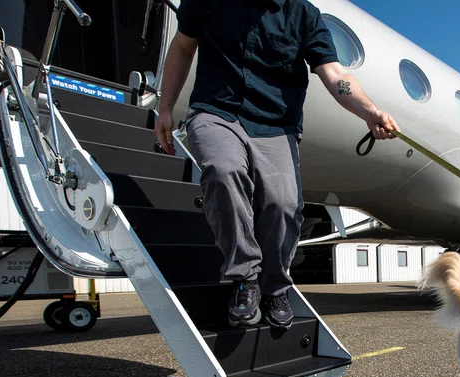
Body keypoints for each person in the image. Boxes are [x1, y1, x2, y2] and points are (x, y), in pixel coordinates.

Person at [154, 0, 399, 328]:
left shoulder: (304, 16)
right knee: (224, 172)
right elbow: (183, 47)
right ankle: (246, 278)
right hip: (216, 110)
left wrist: (369, 111)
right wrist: (165, 106)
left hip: (276, 124)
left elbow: (334, 73)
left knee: (283, 204)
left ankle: (275, 286)